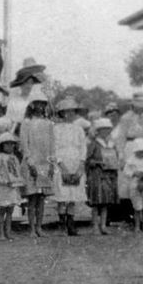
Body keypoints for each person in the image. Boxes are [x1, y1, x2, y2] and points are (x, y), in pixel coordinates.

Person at [19, 92, 55, 237]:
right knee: (32, 197)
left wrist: (52, 164)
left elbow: (52, 145)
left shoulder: (49, 124)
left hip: (45, 164)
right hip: (31, 163)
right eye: (38, 103)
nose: (40, 106)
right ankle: (32, 228)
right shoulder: (26, 122)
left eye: (43, 104)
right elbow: (24, 145)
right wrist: (30, 163)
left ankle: (40, 227)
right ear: (32, 105)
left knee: (41, 198)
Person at [53, 98, 88, 236]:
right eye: (68, 111)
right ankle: (62, 225)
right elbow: (54, 148)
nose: (71, 114)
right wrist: (62, 166)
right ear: (63, 113)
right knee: (62, 195)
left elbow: (83, 147)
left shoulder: (79, 129)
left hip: (75, 161)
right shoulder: (56, 129)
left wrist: (81, 165)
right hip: (62, 163)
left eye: (73, 111)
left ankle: (71, 225)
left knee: (73, 195)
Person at [86, 118, 120, 234]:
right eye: (103, 130)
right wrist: (97, 163)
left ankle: (103, 225)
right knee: (96, 202)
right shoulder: (94, 144)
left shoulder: (112, 144)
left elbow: (117, 158)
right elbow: (88, 160)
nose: (105, 132)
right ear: (98, 131)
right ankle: (95, 226)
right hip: (97, 175)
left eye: (107, 130)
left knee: (106, 202)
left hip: (109, 175)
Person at [0, 132, 23, 241]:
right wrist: (5, 181)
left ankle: (8, 231)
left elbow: (17, 172)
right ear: (2, 145)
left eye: (12, 144)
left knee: (10, 211)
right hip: (3, 188)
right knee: (2, 211)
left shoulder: (14, 158)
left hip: (13, 187)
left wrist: (18, 181)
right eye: (7, 144)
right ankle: (0, 233)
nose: (10, 146)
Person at [5, 59, 46, 130]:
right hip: (18, 128)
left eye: (31, 83)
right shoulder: (14, 99)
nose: (28, 86)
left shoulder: (38, 93)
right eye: (26, 83)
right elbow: (9, 118)